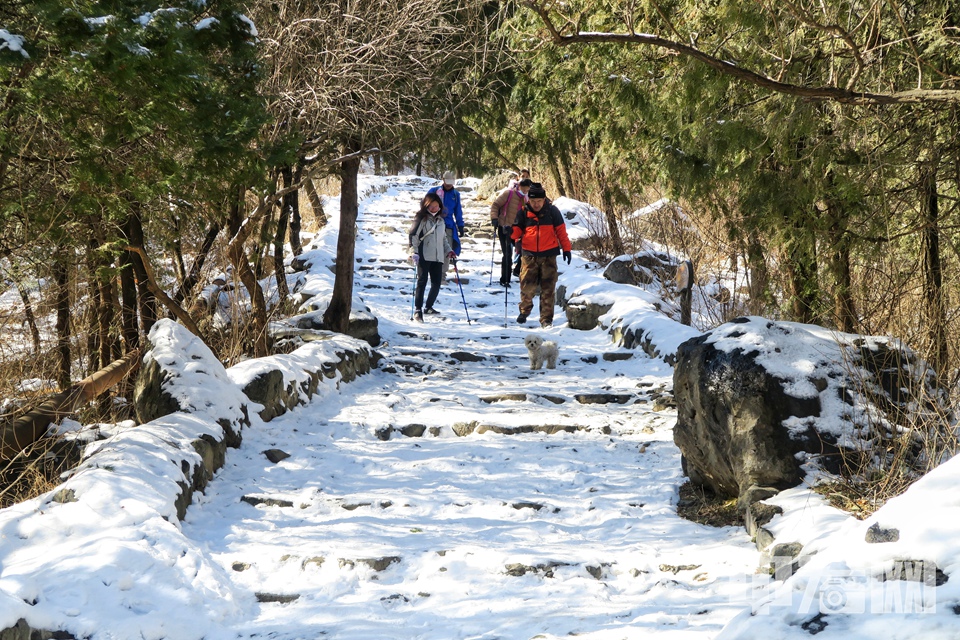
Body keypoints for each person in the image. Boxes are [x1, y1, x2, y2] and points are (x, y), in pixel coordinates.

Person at [510, 182, 572, 328]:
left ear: (544, 199)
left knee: (548, 288)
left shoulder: (552, 212)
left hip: (549, 255)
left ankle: (546, 319)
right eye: (533, 201)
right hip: (529, 255)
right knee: (526, 286)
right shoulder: (523, 213)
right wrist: (509, 233)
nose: (536, 204)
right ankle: (524, 311)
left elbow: (561, 232)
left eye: (539, 201)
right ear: (528, 200)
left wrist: (566, 249)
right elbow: (516, 233)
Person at [408, 192, 456, 322]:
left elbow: (444, 239)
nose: (434, 209)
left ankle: (428, 307)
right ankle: (418, 309)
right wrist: (414, 252)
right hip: (424, 255)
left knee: (436, 283)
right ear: (426, 206)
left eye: (437, 206)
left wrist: (449, 251)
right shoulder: (421, 219)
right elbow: (414, 236)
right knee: (422, 282)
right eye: (432, 206)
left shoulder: (441, 221)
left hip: (438, 257)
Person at [489, 178, 531, 287]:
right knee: (507, 254)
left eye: (527, 190)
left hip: (519, 231)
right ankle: (505, 279)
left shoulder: (526, 199)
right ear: (519, 186)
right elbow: (496, 205)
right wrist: (494, 218)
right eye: (524, 189)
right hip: (504, 227)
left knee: (524, 252)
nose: (525, 192)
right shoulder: (509, 194)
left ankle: (517, 271)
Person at [426, 171, 464, 282]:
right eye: (447, 182)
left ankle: (442, 275)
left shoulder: (456, 195)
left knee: (447, 251)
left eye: (451, 182)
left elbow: (458, 211)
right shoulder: (434, 191)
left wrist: (460, 224)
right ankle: (431, 273)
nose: (449, 185)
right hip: (433, 223)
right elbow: (425, 205)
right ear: (443, 180)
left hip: (448, 226)